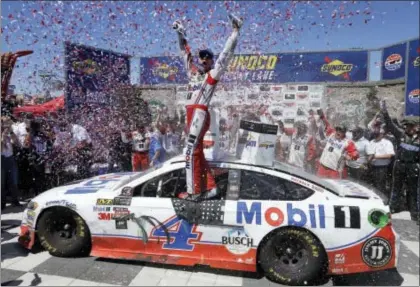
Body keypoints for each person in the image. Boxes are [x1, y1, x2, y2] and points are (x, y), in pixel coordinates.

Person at [173, 13, 243, 199]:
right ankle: (211, 187)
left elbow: (226, 55)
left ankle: (194, 192)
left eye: (207, 58)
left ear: (212, 61)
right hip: (190, 115)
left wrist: (235, 32)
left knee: (190, 152)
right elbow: (184, 52)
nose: (203, 60)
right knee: (197, 152)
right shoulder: (192, 73)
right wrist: (181, 34)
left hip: (200, 113)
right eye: (201, 58)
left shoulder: (212, 75)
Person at [381, 100, 419, 223]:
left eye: (412, 126)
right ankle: (390, 211)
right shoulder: (400, 134)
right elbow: (390, 124)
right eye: (408, 126)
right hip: (399, 165)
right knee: (396, 189)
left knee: (413, 191)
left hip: (413, 166)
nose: (410, 128)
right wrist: (384, 112)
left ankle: (415, 215)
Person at [316, 111, 359, 179]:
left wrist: (349, 157)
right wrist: (322, 116)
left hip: (334, 170)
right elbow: (326, 124)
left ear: (344, 132)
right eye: (337, 129)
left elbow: (355, 154)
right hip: (322, 167)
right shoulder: (332, 134)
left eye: (341, 131)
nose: (338, 132)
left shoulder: (347, 142)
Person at [366, 125, 395, 198]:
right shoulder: (372, 141)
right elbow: (370, 153)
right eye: (375, 134)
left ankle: (383, 200)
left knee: (380, 186)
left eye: (378, 134)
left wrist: (376, 156)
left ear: (382, 134)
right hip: (372, 167)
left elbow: (389, 155)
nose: (376, 136)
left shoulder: (387, 143)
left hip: (382, 168)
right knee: (372, 185)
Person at [1, 116, 21, 209]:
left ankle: (15, 201)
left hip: (10, 158)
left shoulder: (10, 133)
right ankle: (2, 203)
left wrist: (11, 132)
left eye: (8, 123)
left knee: (14, 181)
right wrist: (3, 136)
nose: (7, 125)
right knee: (2, 182)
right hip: (1, 159)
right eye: (5, 123)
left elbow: (16, 143)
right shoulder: (3, 134)